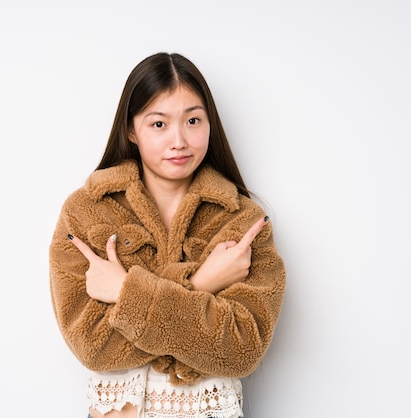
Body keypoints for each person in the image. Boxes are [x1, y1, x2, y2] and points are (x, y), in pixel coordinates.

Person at [49, 52, 286, 418]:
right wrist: (203, 282)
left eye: (193, 120)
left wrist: (123, 292)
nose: (179, 140)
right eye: (159, 124)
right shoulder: (86, 210)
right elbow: (93, 346)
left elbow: (241, 350)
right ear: (131, 130)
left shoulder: (243, 221)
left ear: (211, 124)